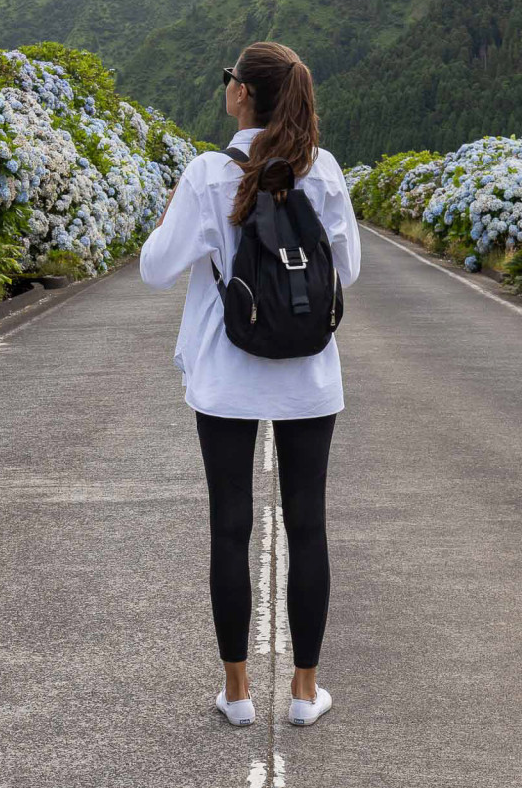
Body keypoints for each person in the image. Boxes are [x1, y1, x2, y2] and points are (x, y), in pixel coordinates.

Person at [138, 41, 361, 728]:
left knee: (231, 527)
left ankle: (236, 693)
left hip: (227, 376)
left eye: (228, 77)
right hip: (308, 375)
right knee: (308, 526)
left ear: (241, 95)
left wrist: (184, 207)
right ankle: (303, 693)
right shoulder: (321, 170)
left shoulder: (209, 173)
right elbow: (346, 271)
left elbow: (154, 268)